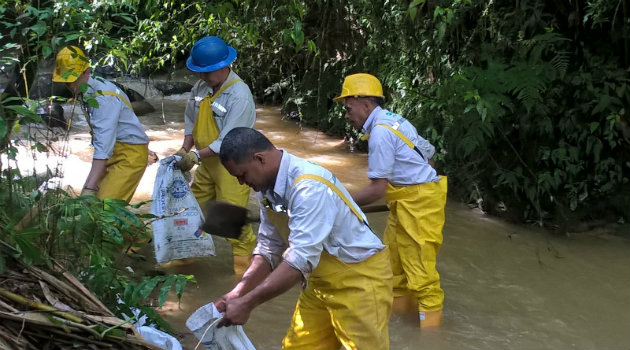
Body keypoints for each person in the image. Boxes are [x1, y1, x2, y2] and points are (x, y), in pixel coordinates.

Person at [212, 127, 393, 349]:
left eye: (242, 175)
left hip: (360, 280)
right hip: (318, 282)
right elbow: (269, 249)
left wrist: (248, 303)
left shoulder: (309, 187)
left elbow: (298, 261)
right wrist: (238, 293)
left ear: (259, 159)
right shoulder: (266, 189)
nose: (241, 183)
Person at [334, 73, 448, 328]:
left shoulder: (381, 133)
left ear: (365, 104)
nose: (346, 114)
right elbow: (429, 156)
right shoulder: (394, 120)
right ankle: (402, 325)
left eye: (348, 107)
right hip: (408, 200)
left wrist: (341, 203)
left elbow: (377, 190)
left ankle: (432, 340)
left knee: (422, 275)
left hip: (418, 205)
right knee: (393, 266)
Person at [172, 36, 257, 274]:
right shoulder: (200, 88)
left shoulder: (240, 95)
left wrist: (196, 157)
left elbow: (229, 139)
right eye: (200, 72)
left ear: (224, 66)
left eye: (208, 72)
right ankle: (185, 259)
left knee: (231, 218)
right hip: (207, 163)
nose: (203, 76)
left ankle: (244, 270)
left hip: (234, 165)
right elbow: (191, 121)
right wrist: (184, 149)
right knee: (192, 211)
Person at [52, 46, 149, 202]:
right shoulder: (91, 88)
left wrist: (90, 186)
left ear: (87, 71)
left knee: (105, 211)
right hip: (116, 151)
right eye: (66, 81)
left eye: (73, 79)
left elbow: (103, 146)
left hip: (130, 157)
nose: (70, 86)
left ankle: (136, 226)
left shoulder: (103, 98)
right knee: (92, 208)